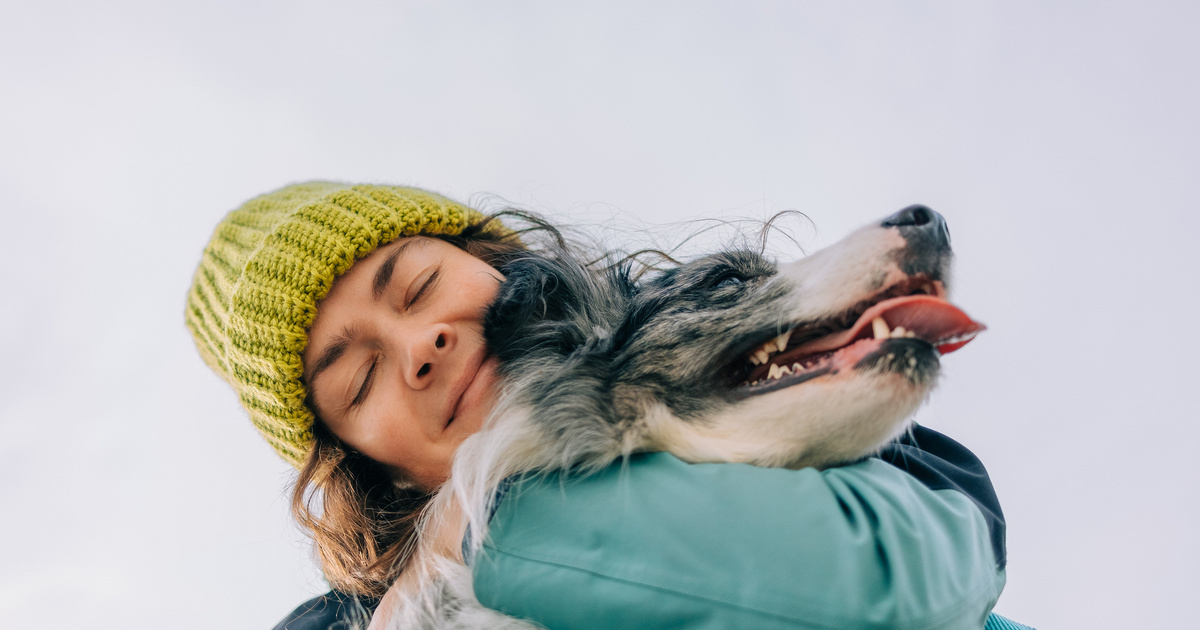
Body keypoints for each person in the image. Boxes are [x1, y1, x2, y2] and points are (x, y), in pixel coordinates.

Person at [186, 182, 1032, 629]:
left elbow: (907, 580)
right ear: (365, 463)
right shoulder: (336, 628)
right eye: (358, 381)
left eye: (417, 286)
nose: (417, 349)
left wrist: (487, 531)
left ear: (494, 261)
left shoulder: (751, 369)